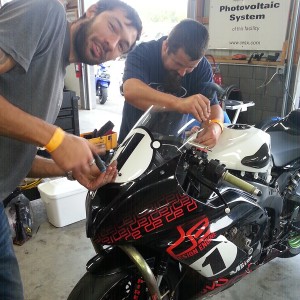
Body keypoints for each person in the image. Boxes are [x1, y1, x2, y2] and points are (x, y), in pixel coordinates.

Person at [0, 0, 142, 299]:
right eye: (113, 26)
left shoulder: (55, 80)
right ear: (90, 12)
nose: (112, 43)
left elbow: (13, 156)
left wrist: (68, 168)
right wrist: (56, 139)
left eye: (122, 46)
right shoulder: (45, 14)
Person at [118, 19, 224, 148]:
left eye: (190, 67)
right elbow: (131, 91)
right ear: (166, 46)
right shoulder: (142, 53)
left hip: (172, 148)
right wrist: (180, 103)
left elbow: (212, 106)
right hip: (133, 144)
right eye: (178, 64)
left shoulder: (202, 67)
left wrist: (216, 127)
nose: (182, 73)